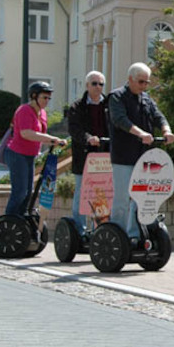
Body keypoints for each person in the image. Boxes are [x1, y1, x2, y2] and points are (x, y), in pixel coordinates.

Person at [108, 63, 174, 242]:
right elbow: (120, 119)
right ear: (130, 79)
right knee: (122, 199)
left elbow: (158, 116)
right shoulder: (117, 97)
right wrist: (140, 133)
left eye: (147, 82)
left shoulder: (146, 98)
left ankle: (134, 236)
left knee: (140, 199)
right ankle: (117, 236)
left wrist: (166, 130)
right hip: (124, 157)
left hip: (144, 157)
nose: (144, 85)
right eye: (141, 82)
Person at [4, 82, 68, 217]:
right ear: (34, 96)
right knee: (20, 192)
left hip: (30, 156)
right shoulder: (24, 110)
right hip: (17, 154)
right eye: (44, 97)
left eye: (49, 98)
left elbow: (41, 136)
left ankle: (21, 220)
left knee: (29, 192)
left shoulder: (43, 113)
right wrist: (51, 139)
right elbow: (26, 133)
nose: (47, 101)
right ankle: (9, 221)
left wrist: (54, 142)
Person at [67, 71, 110, 233]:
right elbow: (74, 129)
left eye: (101, 84)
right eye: (94, 83)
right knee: (82, 192)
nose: (98, 87)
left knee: (101, 193)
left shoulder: (108, 105)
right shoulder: (77, 107)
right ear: (87, 85)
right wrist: (88, 138)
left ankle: (100, 228)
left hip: (104, 156)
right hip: (84, 156)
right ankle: (79, 230)